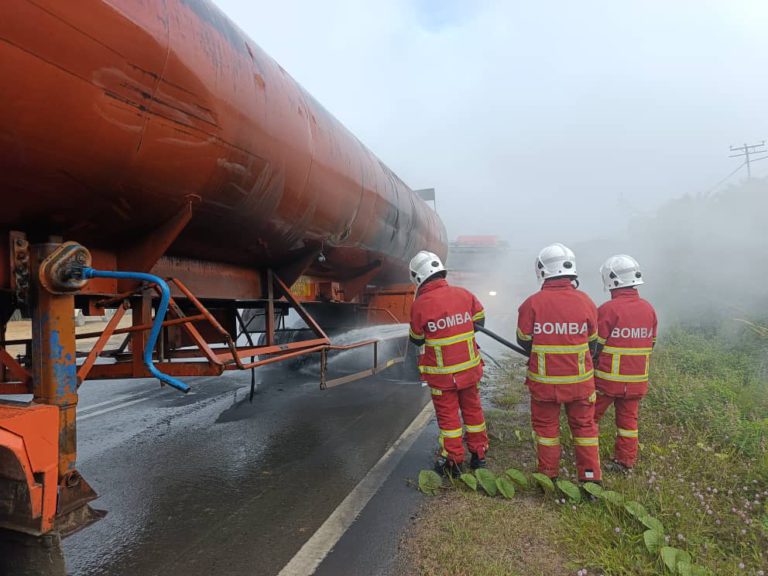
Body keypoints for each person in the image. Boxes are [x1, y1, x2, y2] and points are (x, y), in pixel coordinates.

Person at [516, 243, 601, 484]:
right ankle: (590, 478)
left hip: (545, 385)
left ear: (542, 270)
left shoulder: (532, 304)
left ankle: (548, 477)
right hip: (581, 385)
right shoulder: (586, 301)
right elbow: (593, 343)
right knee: (584, 429)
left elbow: (523, 341)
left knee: (546, 431)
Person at [408, 250, 488, 476]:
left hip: (443, 377)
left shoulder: (420, 305)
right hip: (470, 371)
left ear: (417, 277)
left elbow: (416, 338)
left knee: (449, 418)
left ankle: (453, 461)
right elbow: (479, 320)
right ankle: (479, 456)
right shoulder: (464, 294)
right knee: (473, 412)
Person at [593, 254, 658, 473]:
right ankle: (625, 462)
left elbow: (595, 345)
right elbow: (652, 342)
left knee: (589, 418)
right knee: (628, 423)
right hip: (637, 380)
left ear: (611, 280)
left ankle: (587, 456)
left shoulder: (608, 309)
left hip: (607, 381)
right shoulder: (648, 309)